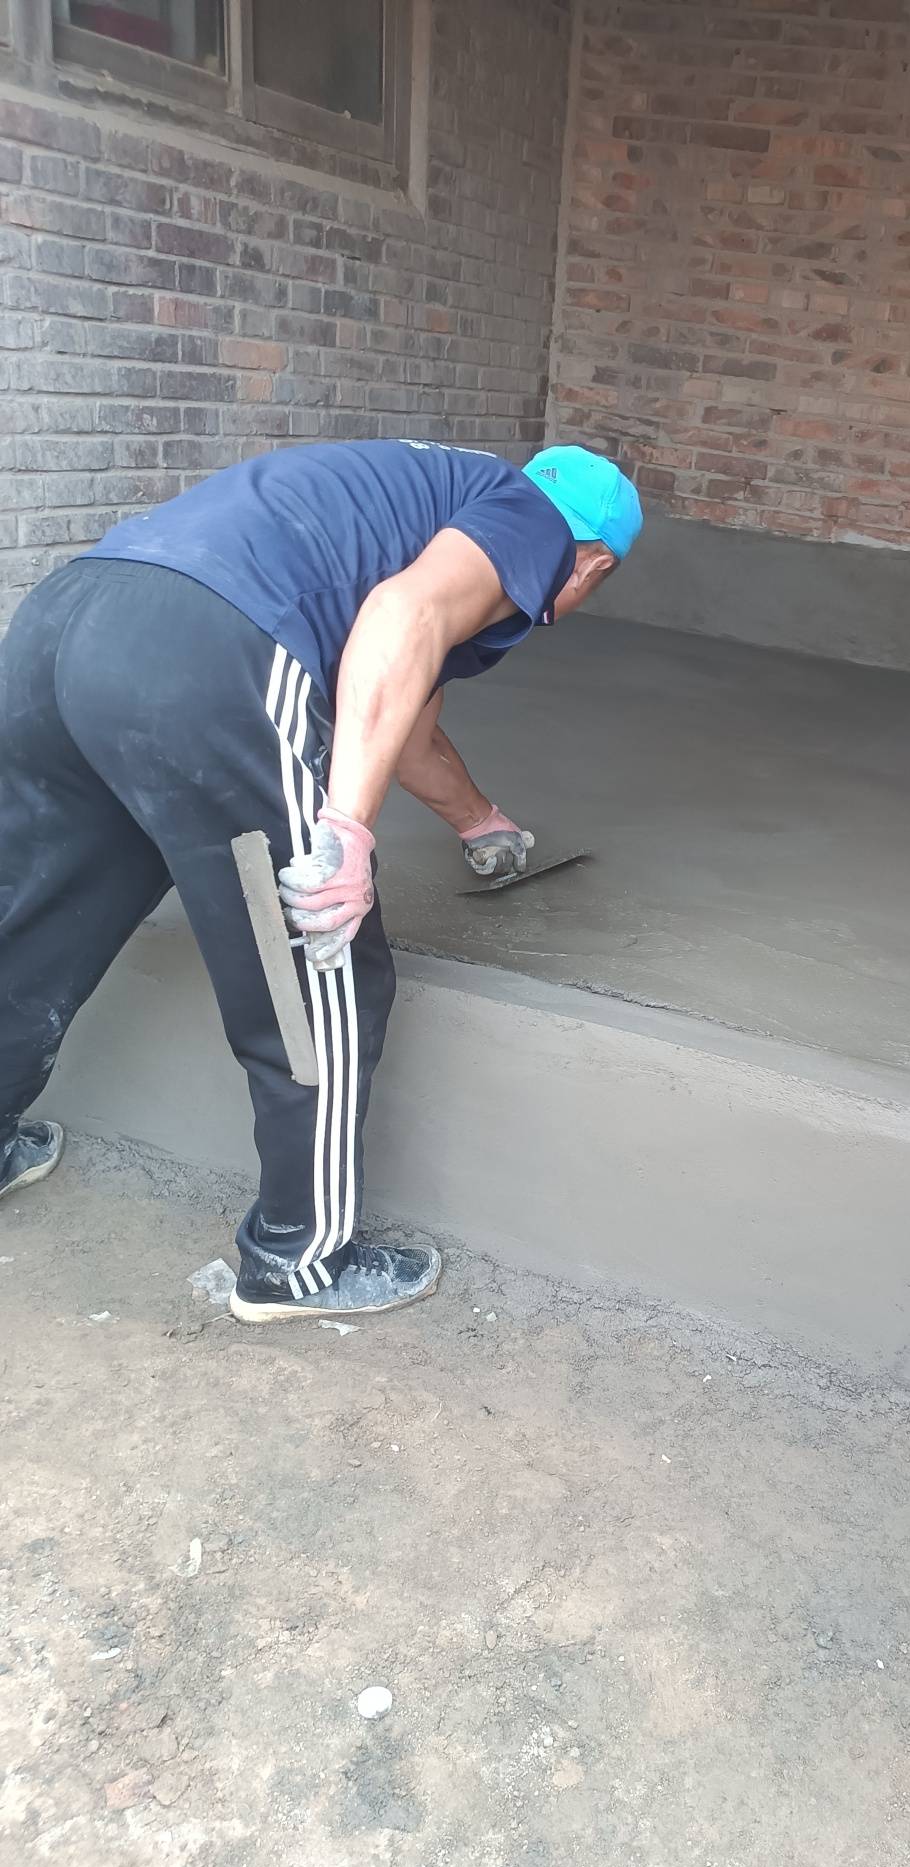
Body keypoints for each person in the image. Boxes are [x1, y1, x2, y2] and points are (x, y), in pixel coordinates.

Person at [0, 439, 642, 1321]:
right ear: (592, 565)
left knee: (51, 908)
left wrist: (480, 822)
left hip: (64, 622)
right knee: (321, 961)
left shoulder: (419, 503)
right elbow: (401, 619)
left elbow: (402, 716)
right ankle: (298, 1260)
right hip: (201, 649)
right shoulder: (531, 521)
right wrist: (345, 828)